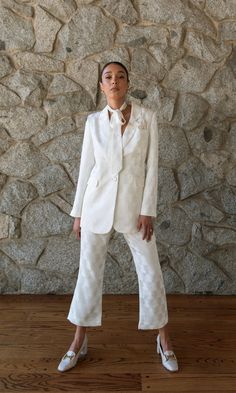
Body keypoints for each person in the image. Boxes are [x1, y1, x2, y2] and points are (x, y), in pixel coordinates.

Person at [57, 61, 178, 373]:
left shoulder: (147, 119)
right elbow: (86, 170)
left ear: (128, 83)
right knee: (88, 274)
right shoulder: (93, 122)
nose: (114, 82)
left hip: (134, 209)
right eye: (108, 77)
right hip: (96, 207)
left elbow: (152, 168)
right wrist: (78, 213)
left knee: (151, 271)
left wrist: (147, 210)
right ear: (101, 86)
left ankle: (164, 340)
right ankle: (78, 341)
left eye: (120, 77)